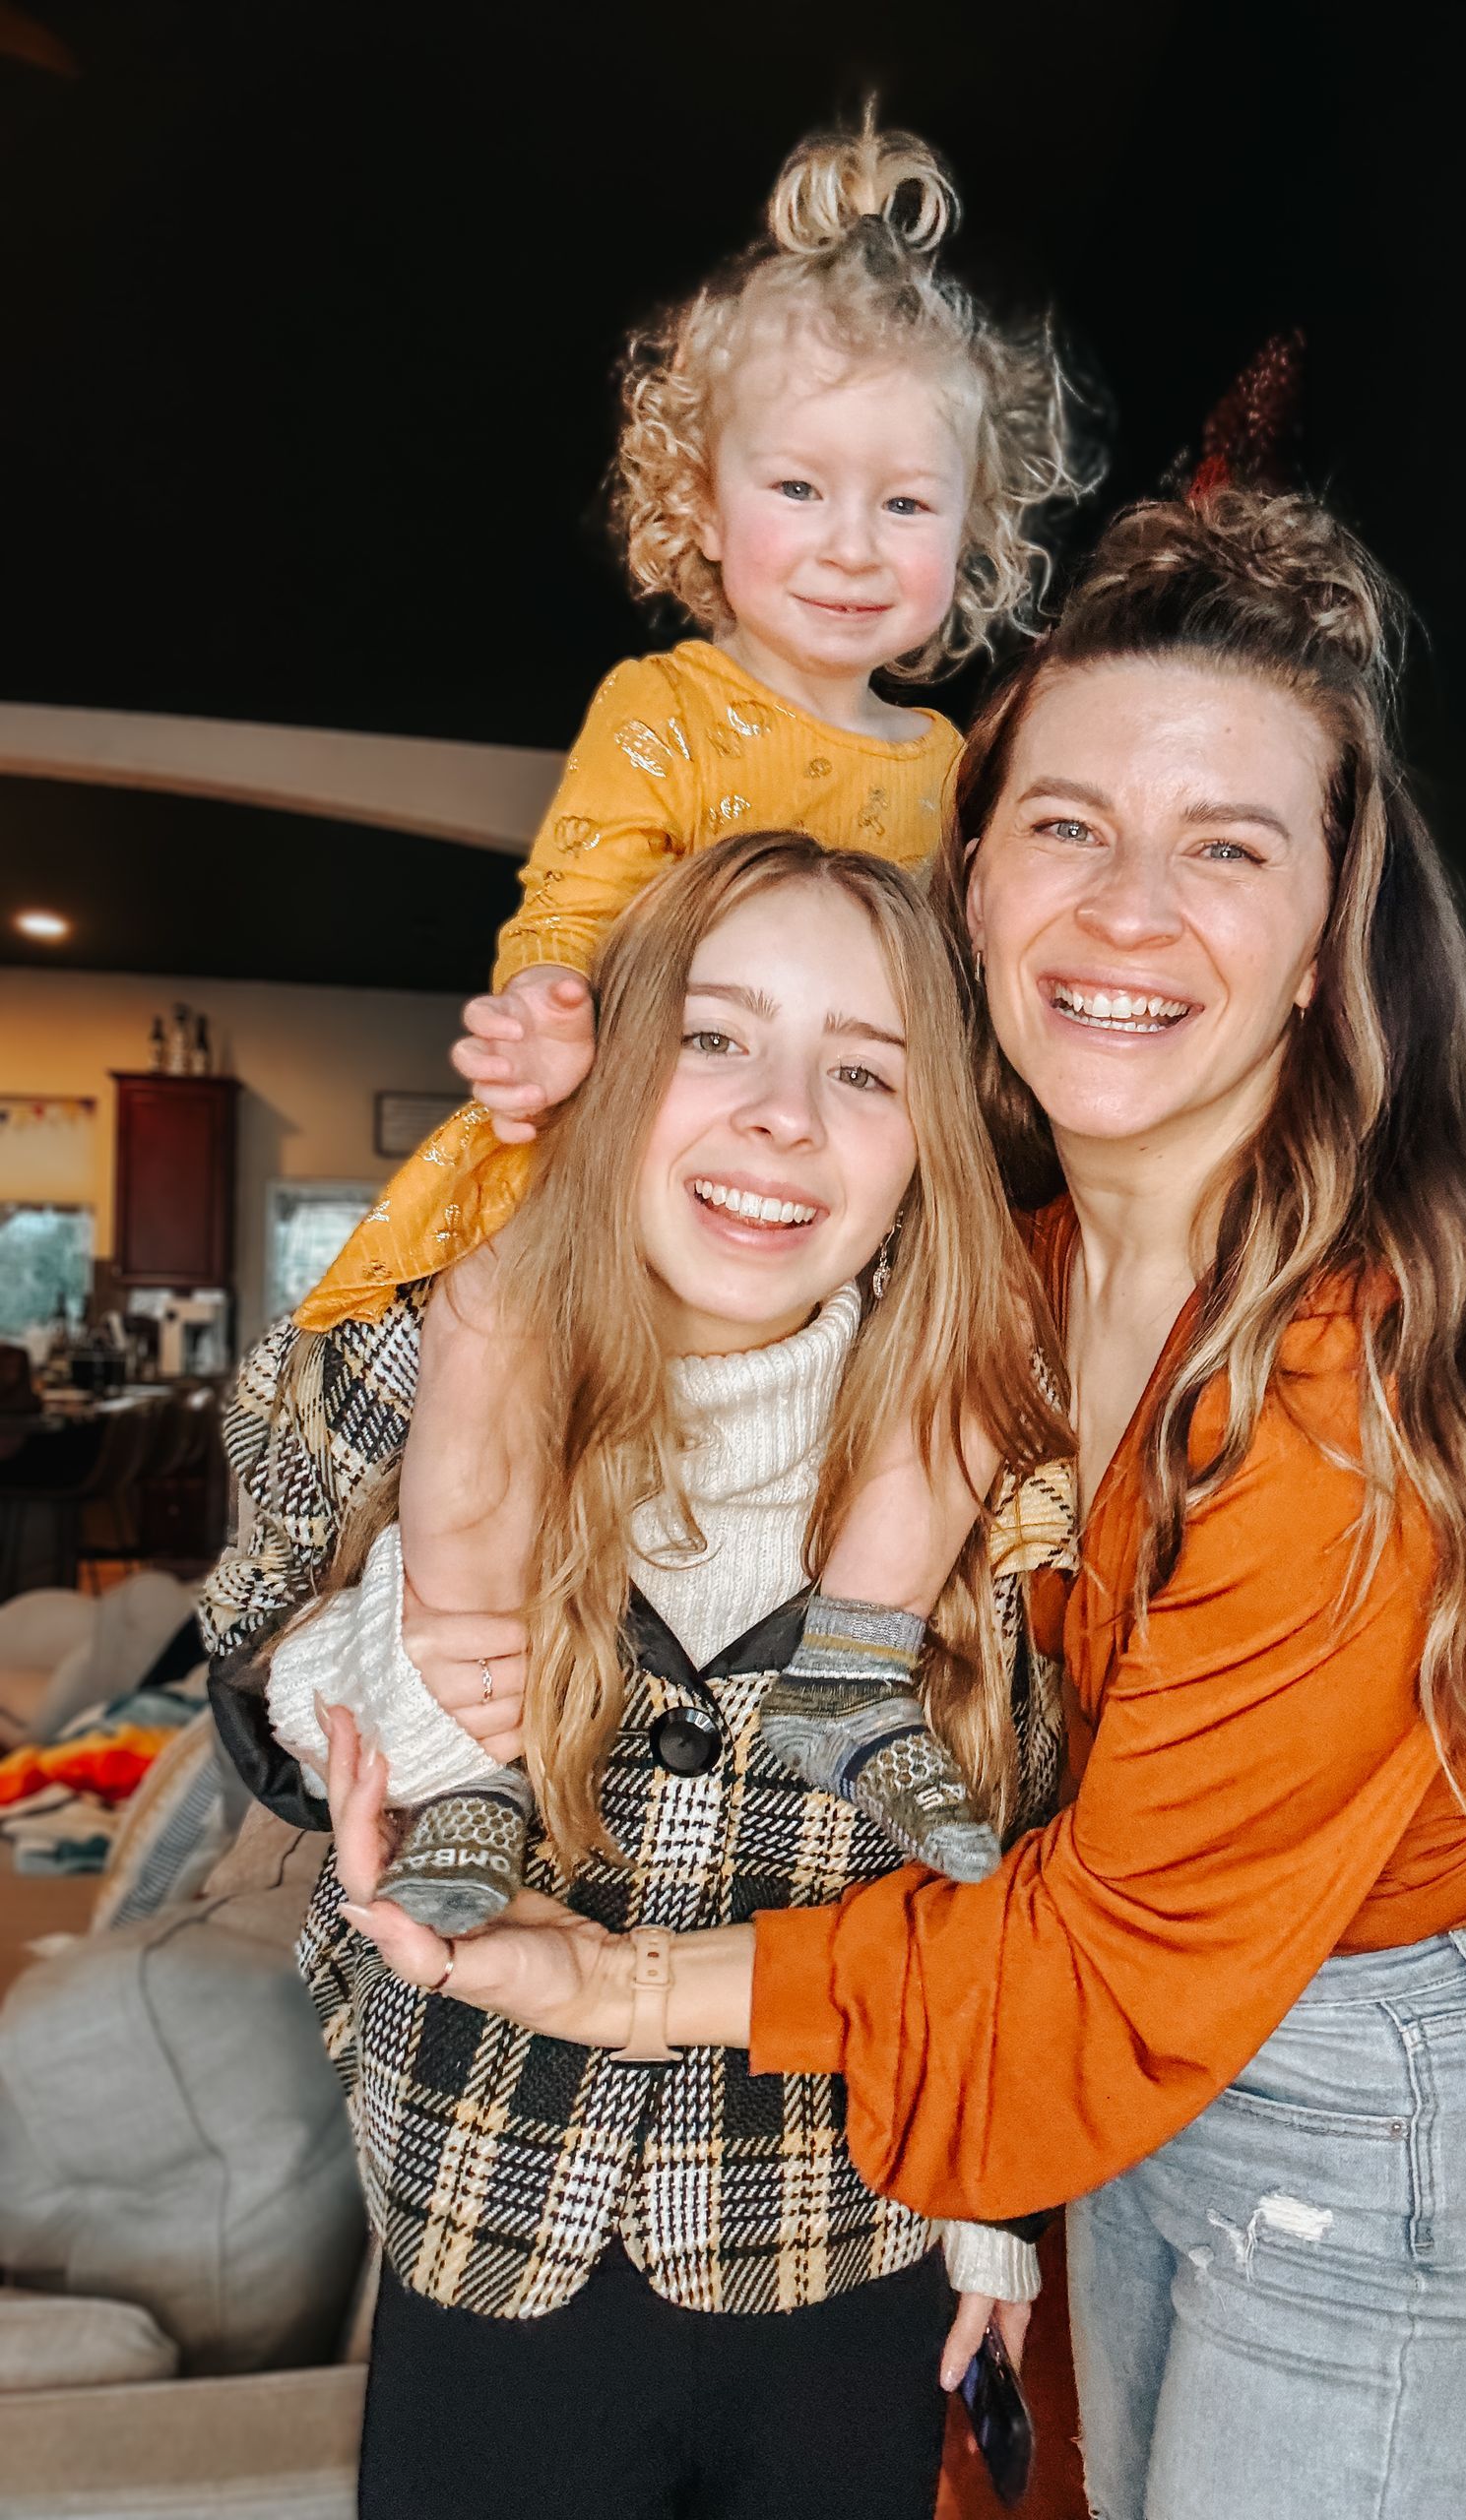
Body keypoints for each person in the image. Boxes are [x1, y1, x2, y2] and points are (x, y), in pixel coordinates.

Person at [336, 487, 1466, 2518]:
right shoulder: (1011, 1278)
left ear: (1325, 936)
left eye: (1226, 845)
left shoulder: (1358, 1367)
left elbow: (1101, 1950)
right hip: (1090, 2043)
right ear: (970, 885)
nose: (1127, 910)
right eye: (1068, 824)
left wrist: (618, 1982)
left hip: (1359, 2096)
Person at [201, 113, 1091, 1912]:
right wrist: (549, 1015)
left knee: (981, 1341)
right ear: (701, 501)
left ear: (975, 532)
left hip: (850, 1175)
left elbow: (963, 995)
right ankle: (471, 1735)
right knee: (490, 1327)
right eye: (800, 489)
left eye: (907, 505)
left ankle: (853, 1663)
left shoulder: (947, 765)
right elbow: (579, 905)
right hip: (597, 1158)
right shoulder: (664, 709)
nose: (852, 545)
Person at [208, 834, 1071, 2520]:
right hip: (485, 2219)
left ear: (934, 1146)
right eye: (714, 1036)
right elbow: (245, 1661)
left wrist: (995, 2218)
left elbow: (1012, 1872)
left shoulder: (982, 1443)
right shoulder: (417, 1346)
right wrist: (400, 1673)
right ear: (602, 1069)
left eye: (866, 1071)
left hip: (844, 2241)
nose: (783, 1115)